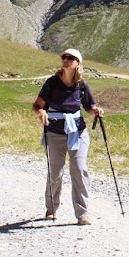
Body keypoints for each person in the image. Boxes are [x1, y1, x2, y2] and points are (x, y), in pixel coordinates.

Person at [33, 48, 102, 225]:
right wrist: (41, 112)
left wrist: (95, 110)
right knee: (55, 172)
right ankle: (51, 208)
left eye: (70, 58)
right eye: (64, 57)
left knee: (79, 169)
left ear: (78, 64)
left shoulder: (82, 85)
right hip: (55, 132)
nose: (66, 60)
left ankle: (82, 214)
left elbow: (88, 106)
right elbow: (37, 105)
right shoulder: (52, 83)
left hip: (77, 132)